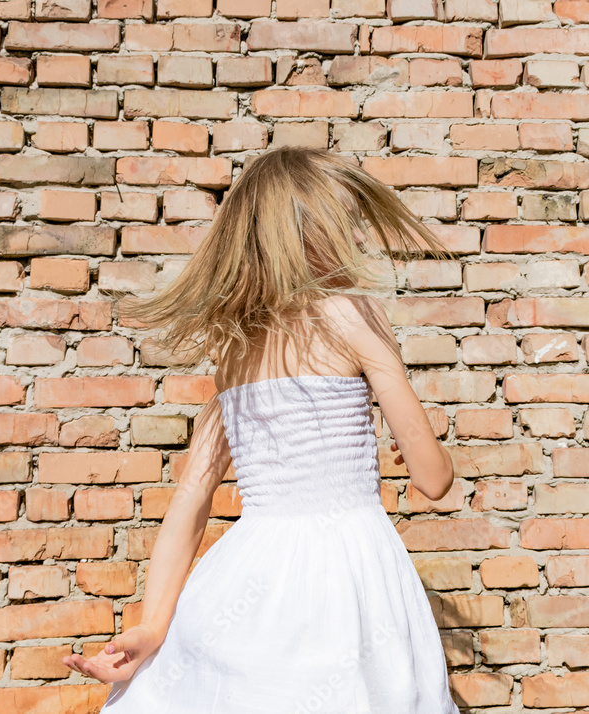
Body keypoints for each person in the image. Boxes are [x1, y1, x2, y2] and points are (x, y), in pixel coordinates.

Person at [62, 146, 462, 713]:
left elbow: (192, 495)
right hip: (347, 571)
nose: (354, 237)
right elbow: (434, 478)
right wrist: (419, 442)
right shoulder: (354, 314)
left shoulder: (235, 352)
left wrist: (154, 626)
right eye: (344, 222)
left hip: (253, 572)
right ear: (313, 231)